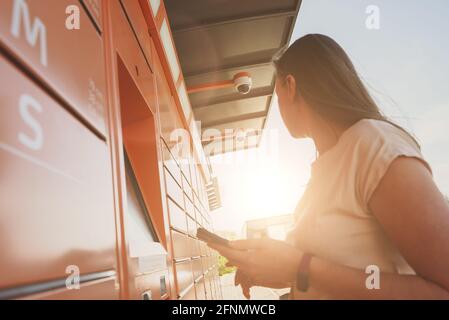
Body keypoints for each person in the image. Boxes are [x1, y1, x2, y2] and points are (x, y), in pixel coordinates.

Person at [208, 34, 449, 299]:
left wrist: (298, 266)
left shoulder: (373, 144)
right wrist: (282, 271)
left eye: (277, 95)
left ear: (291, 86)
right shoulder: (325, 167)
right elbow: (334, 271)